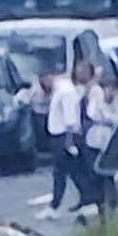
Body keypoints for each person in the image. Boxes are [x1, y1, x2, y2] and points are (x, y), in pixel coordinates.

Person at [44, 63, 89, 218]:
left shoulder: (66, 92)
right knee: (70, 172)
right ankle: (87, 200)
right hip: (60, 135)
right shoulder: (63, 90)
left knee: (65, 172)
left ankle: (56, 206)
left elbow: (70, 119)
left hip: (63, 136)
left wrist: (69, 142)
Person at [79, 76, 118, 218]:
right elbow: (92, 114)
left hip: (109, 144)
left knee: (109, 176)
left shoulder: (117, 106)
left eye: (112, 89)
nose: (109, 93)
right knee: (94, 174)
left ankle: (110, 202)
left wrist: (107, 116)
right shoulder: (96, 102)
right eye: (106, 89)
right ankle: (97, 202)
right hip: (94, 142)